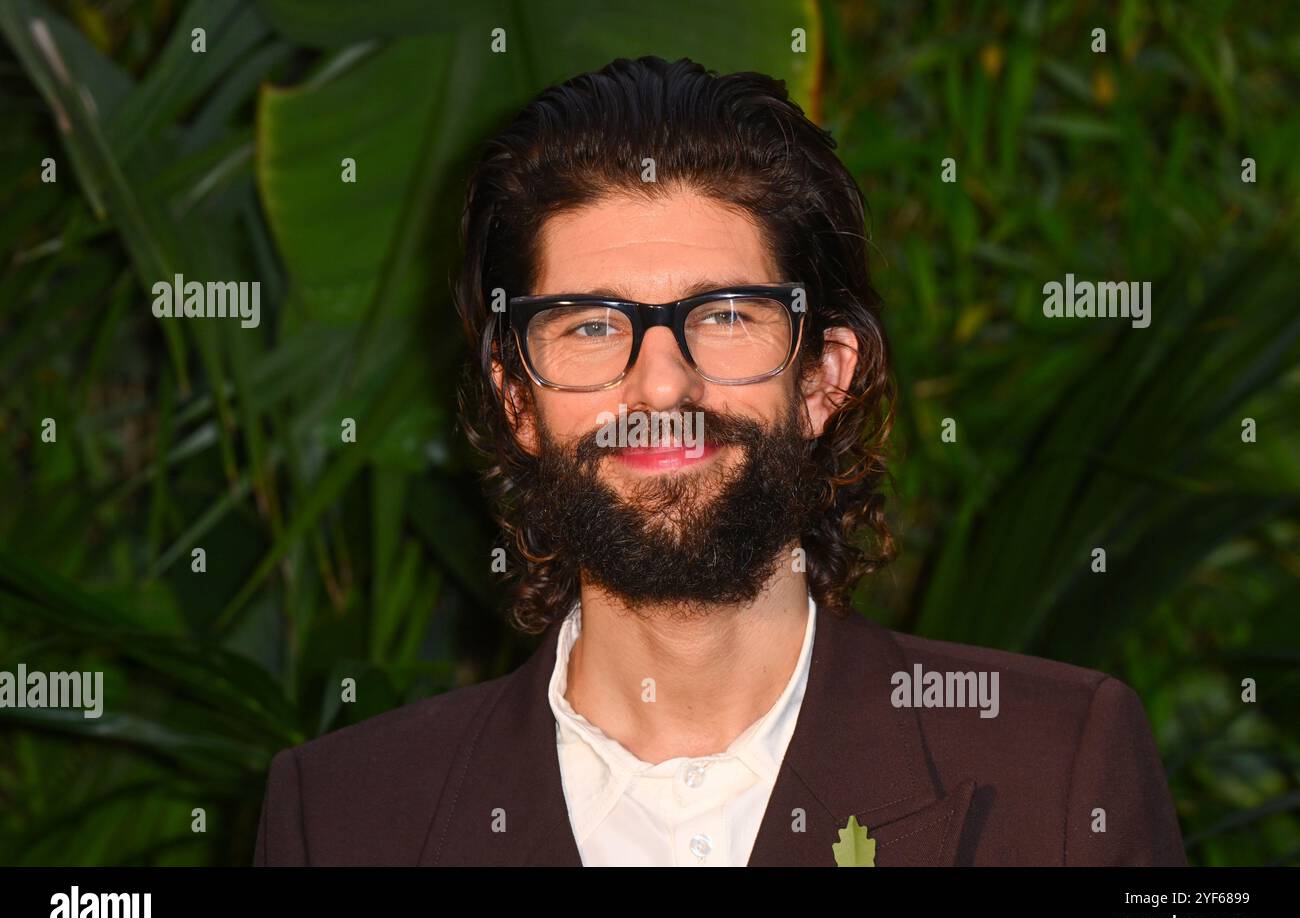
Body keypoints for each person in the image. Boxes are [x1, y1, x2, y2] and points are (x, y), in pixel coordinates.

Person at [254, 55, 1186, 866]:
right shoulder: (342, 817)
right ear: (517, 402)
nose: (660, 386)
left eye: (726, 315)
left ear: (825, 377)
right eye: (590, 326)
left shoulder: (1055, 773)